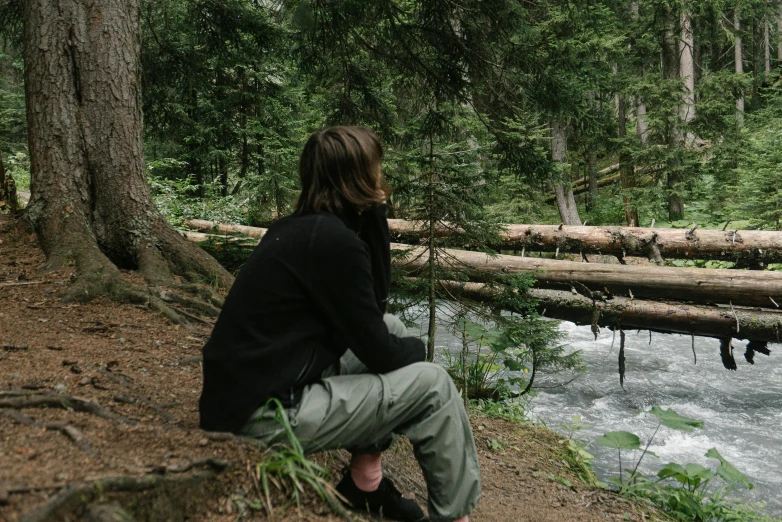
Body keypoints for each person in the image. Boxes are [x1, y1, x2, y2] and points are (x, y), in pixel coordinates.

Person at [199, 126, 480, 522]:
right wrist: (417, 355)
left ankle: (365, 483)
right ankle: (456, 519)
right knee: (434, 384)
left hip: (245, 397)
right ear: (360, 178)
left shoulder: (299, 229)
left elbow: (373, 309)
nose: (382, 178)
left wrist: (376, 212)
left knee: (392, 325)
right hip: (261, 417)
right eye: (376, 170)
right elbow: (380, 354)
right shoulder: (333, 243)